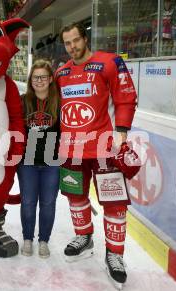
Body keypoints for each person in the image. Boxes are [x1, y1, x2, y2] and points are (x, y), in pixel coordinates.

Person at [55, 23, 138, 289]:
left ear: (85, 38)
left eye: (76, 40)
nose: (72, 47)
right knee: (76, 197)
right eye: (67, 43)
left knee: (114, 203)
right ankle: (84, 237)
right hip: (72, 150)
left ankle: (115, 254)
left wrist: (122, 132)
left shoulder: (109, 62)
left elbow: (126, 97)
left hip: (105, 149)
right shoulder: (61, 72)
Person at [18, 59, 60, 258]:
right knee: (27, 202)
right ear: (30, 80)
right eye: (36, 77)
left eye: (44, 77)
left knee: (48, 203)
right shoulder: (22, 100)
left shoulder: (59, 102)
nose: (40, 81)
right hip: (28, 161)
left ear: (51, 79)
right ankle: (28, 238)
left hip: (52, 161)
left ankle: (44, 240)